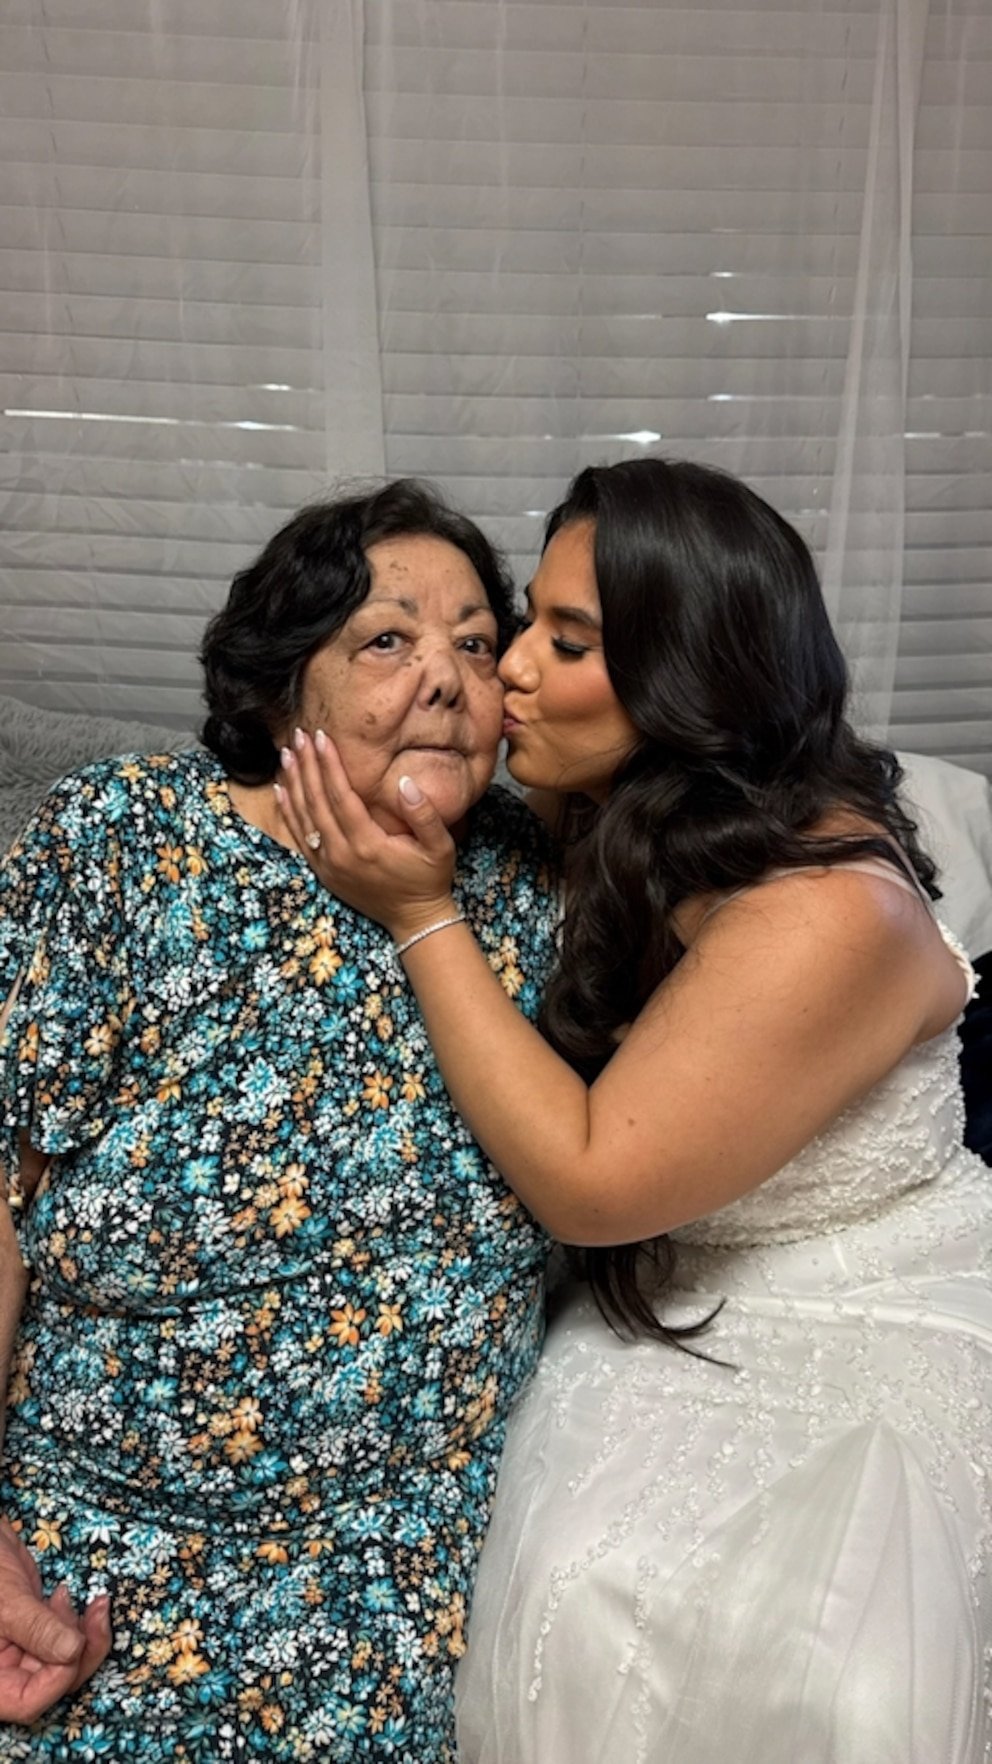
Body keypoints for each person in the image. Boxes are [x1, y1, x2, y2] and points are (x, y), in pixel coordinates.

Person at [277, 457, 992, 1763]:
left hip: (850, 1300)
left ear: (691, 673)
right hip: (673, 1292)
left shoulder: (835, 909)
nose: (512, 675)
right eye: (524, 629)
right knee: (570, 1594)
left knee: (827, 1668)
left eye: (569, 641)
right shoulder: (621, 803)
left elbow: (594, 1180)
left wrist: (420, 912)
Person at [0, 481, 561, 1762]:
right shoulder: (126, 843)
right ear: (277, 691)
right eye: (386, 641)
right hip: (90, 1551)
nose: (447, 681)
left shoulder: (530, 881)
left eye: (477, 644)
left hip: (401, 1572)